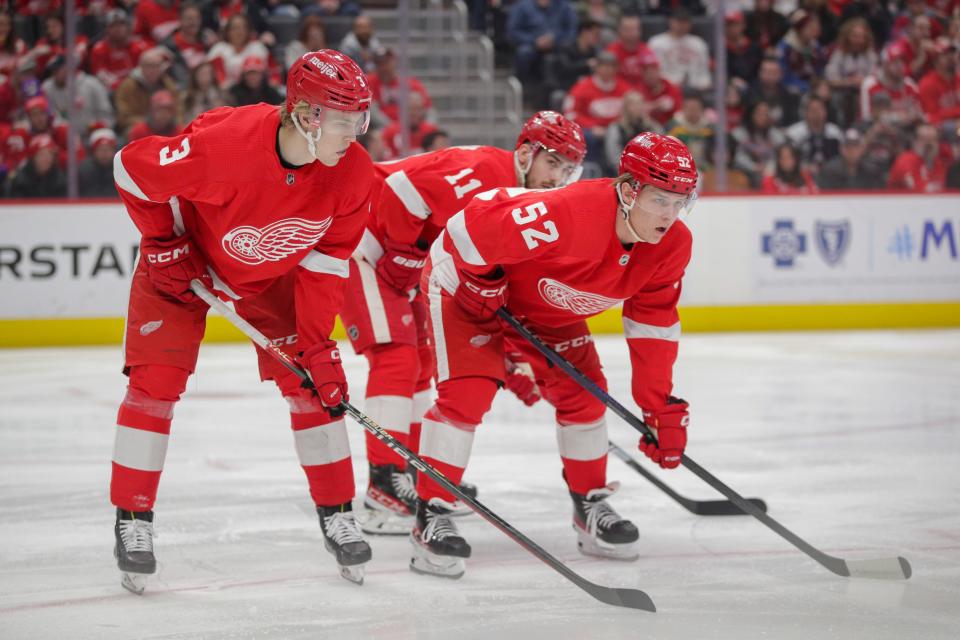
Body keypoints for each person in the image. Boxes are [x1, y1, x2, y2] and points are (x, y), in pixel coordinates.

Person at [108, 49, 376, 594]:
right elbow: (129, 169)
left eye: (359, 120)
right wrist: (163, 240)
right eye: (343, 121)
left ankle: (338, 513)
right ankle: (133, 521)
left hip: (270, 274)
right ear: (304, 114)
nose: (354, 134)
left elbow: (325, 264)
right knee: (154, 386)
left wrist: (316, 345)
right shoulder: (224, 144)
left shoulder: (354, 173)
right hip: (184, 261)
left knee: (311, 387)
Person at [406, 132, 698, 579]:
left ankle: (590, 507)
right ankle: (432, 513)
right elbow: (469, 229)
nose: (672, 215)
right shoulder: (569, 212)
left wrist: (657, 405)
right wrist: (483, 279)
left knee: (585, 396)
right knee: (468, 394)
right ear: (627, 190)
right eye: (661, 200)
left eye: (682, 202)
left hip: (543, 308)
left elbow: (653, 326)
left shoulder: (672, 246)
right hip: (463, 287)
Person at [339, 111, 586, 536]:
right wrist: (402, 248)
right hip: (360, 239)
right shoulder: (484, 172)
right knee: (396, 358)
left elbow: (486, 290)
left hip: (402, 263)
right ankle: (384, 486)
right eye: (553, 163)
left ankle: (413, 473)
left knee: (419, 361)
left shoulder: (525, 203)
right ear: (526, 153)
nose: (558, 178)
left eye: (568, 169)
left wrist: (508, 361)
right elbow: (401, 189)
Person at [115, 47, 181, 135]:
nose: (153, 70)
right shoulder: (128, 86)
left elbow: (179, 109)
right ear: (141, 67)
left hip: (166, 124)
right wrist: (149, 123)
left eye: (157, 66)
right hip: (137, 125)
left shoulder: (168, 84)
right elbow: (124, 116)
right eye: (149, 66)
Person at [647, 8, 711, 91]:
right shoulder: (656, 43)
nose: (682, 25)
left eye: (685, 22)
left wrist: (703, 84)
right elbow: (653, 72)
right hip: (666, 89)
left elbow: (704, 73)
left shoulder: (699, 43)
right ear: (670, 21)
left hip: (694, 90)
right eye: (678, 21)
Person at [89, 9, 151, 91]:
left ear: (128, 27)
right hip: (111, 91)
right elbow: (101, 75)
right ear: (106, 29)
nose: (117, 29)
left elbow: (146, 71)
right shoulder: (99, 49)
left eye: (121, 25)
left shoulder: (140, 46)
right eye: (113, 26)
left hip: (138, 88)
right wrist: (122, 86)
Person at [887, 123, 950, 192]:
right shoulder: (905, 160)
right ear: (915, 141)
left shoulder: (939, 161)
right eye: (923, 139)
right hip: (903, 201)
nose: (928, 143)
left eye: (933, 139)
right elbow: (916, 188)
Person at [816, 127, 885, 190]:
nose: (851, 150)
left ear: (862, 148)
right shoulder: (829, 172)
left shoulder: (872, 172)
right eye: (847, 146)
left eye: (855, 146)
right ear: (841, 148)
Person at [6, 134, 66, 199]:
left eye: (50, 154)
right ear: (33, 157)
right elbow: (16, 206)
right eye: (42, 154)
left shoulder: (59, 179)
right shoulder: (21, 180)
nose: (46, 159)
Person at [79, 128, 120, 197]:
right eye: (100, 149)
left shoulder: (121, 171)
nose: (104, 153)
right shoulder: (83, 172)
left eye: (108, 149)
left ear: (114, 151)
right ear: (93, 151)